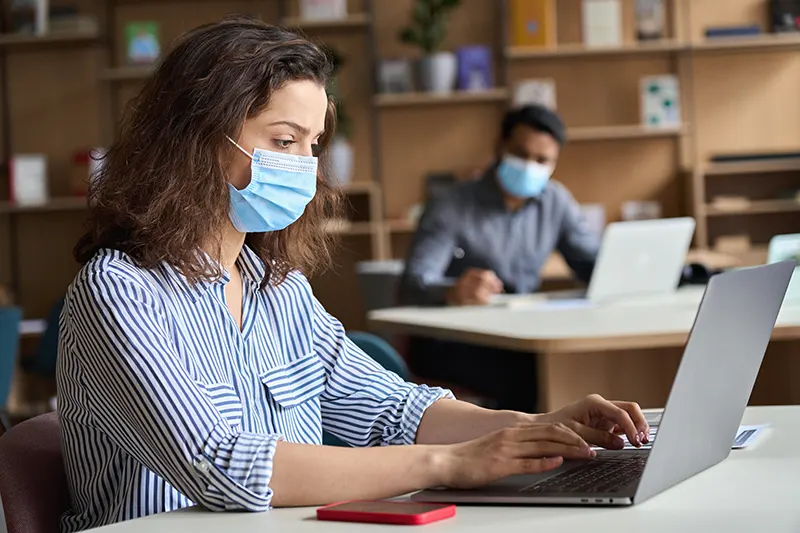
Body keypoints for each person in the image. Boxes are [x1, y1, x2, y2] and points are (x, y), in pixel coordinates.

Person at [56, 18, 648, 532]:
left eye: (312, 145)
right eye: (283, 140)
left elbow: (394, 409)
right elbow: (222, 467)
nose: (305, 167)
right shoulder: (118, 289)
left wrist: (538, 427)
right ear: (194, 140)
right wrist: (454, 462)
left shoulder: (278, 288)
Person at [399, 105, 600, 413]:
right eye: (521, 153)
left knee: (581, 362)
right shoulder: (451, 206)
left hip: (525, 334)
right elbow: (413, 283)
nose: (530, 166)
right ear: (500, 146)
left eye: (542, 160)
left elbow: (591, 264)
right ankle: (524, 455)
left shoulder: (555, 201)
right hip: (457, 342)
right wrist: (453, 290)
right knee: (530, 373)